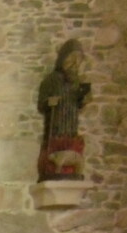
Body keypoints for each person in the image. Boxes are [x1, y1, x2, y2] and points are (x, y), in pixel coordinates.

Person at [36, 40, 92, 181]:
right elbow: (41, 104)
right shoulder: (51, 80)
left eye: (78, 59)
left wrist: (84, 99)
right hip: (56, 123)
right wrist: (49, 102)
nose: (74, 63)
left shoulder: (77, 81)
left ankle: (70, 171)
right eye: (71, 58)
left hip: (71, 123)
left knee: (71, 147)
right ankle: (52, 170)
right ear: (63, 59)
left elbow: (79, 103)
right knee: (54, 150)